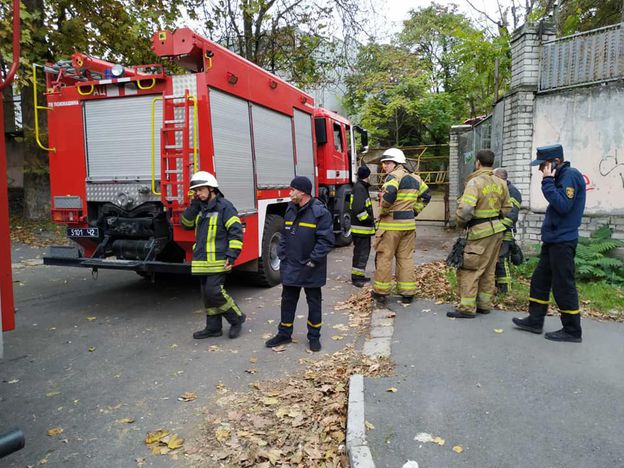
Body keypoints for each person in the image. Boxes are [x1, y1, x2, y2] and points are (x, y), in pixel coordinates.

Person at [512, 144, 586, 342]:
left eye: (543, 165)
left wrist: (547, 180)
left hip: (563, 241)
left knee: (563, 285)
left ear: (555, 162)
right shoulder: (560, 176)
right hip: (553, 239)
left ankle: (572, 330)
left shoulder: (569, 175)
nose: (539, 169)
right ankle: (535, 321)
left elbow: (562, 205)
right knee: (540, 280)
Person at [265, 176, 335, 352]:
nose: (289, 193)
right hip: (291, 266)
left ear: (302, 192)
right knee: (287, 300)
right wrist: (282, 254)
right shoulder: (290, 209)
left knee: (314, 302)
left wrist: (312, 260)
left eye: (292, 190)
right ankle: (284, 334)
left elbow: (326, 241)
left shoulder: (320, 213)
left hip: (311, 267)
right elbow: (284, 235)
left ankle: (314, 337)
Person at [181, 171, 246, 339]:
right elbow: (185, 224)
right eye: (195, 191)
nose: (197, 194)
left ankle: (236, 318)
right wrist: (193, 207)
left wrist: (232, 255)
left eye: (201, 190)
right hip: (202, 260)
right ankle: (213, 328)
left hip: (218, 260)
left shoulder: (225, 207)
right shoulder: (199, 207)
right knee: (207, 295)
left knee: (214, 292)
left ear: (211, 189)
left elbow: (236, 232)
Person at [448, 149, 511, 319]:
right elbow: (507, 208)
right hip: (496, 232)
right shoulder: (501, 183)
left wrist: (461, 222)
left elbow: (466, 209)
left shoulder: (475, 182)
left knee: (471, 269)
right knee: (489, 269)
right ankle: (484, 304)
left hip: (479, 232)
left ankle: (466, 308)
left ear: (477, 162)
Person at [373, 148, 431, 305]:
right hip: (409, 226)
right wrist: (415, 210)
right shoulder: (415, 178)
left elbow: (389, 195)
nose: (384, 166)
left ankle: (381, 292)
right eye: (384, 163)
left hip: (391, 226)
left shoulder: (393, 177)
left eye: (388, 163)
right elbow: (427, 195)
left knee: (384, 258)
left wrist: (384, 209)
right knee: (405, 258)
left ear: (397, 163)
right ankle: (408, 292)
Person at [493, 168, 522, 294]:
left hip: (505, 232)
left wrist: (498, 229)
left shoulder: (512, 192)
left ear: (500, 178)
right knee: (495, 261)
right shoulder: (501, 190)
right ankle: (496, 288)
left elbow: (511, 215)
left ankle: (505, 291)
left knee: (501, 260)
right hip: (496, 231)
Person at [350, 165, 375, 287]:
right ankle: (356, 278)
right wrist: (368, 221)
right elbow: (358, 209)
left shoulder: (360, 187)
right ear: (367, 176)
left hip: (362, 229)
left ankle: (359, 275)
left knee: (361, 253)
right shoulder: (360, 188)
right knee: (361, 254)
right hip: (362, 229)